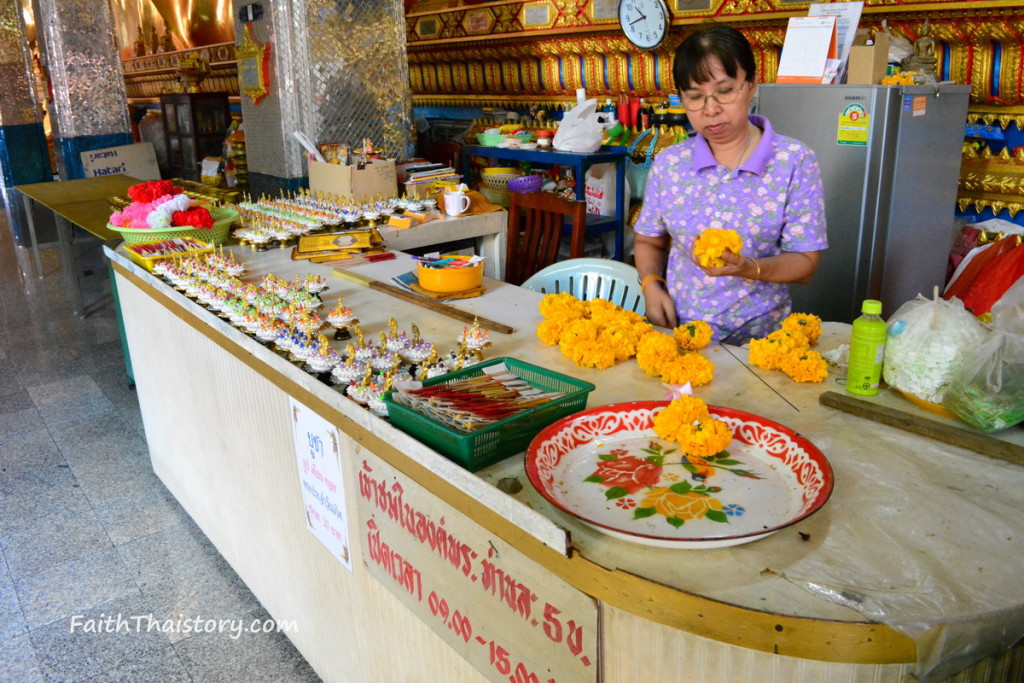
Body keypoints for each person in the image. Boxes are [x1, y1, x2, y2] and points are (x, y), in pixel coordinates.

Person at [633, 25, 828, 344]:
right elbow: (648, 242)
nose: (710, 110)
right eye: (695, 97)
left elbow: (805, 264)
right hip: (681, 338)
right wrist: (652, 285)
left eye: (725, 91)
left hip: (762, 343)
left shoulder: (794, 161)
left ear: (751, 86)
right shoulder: (670, 164)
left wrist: (748, 268)